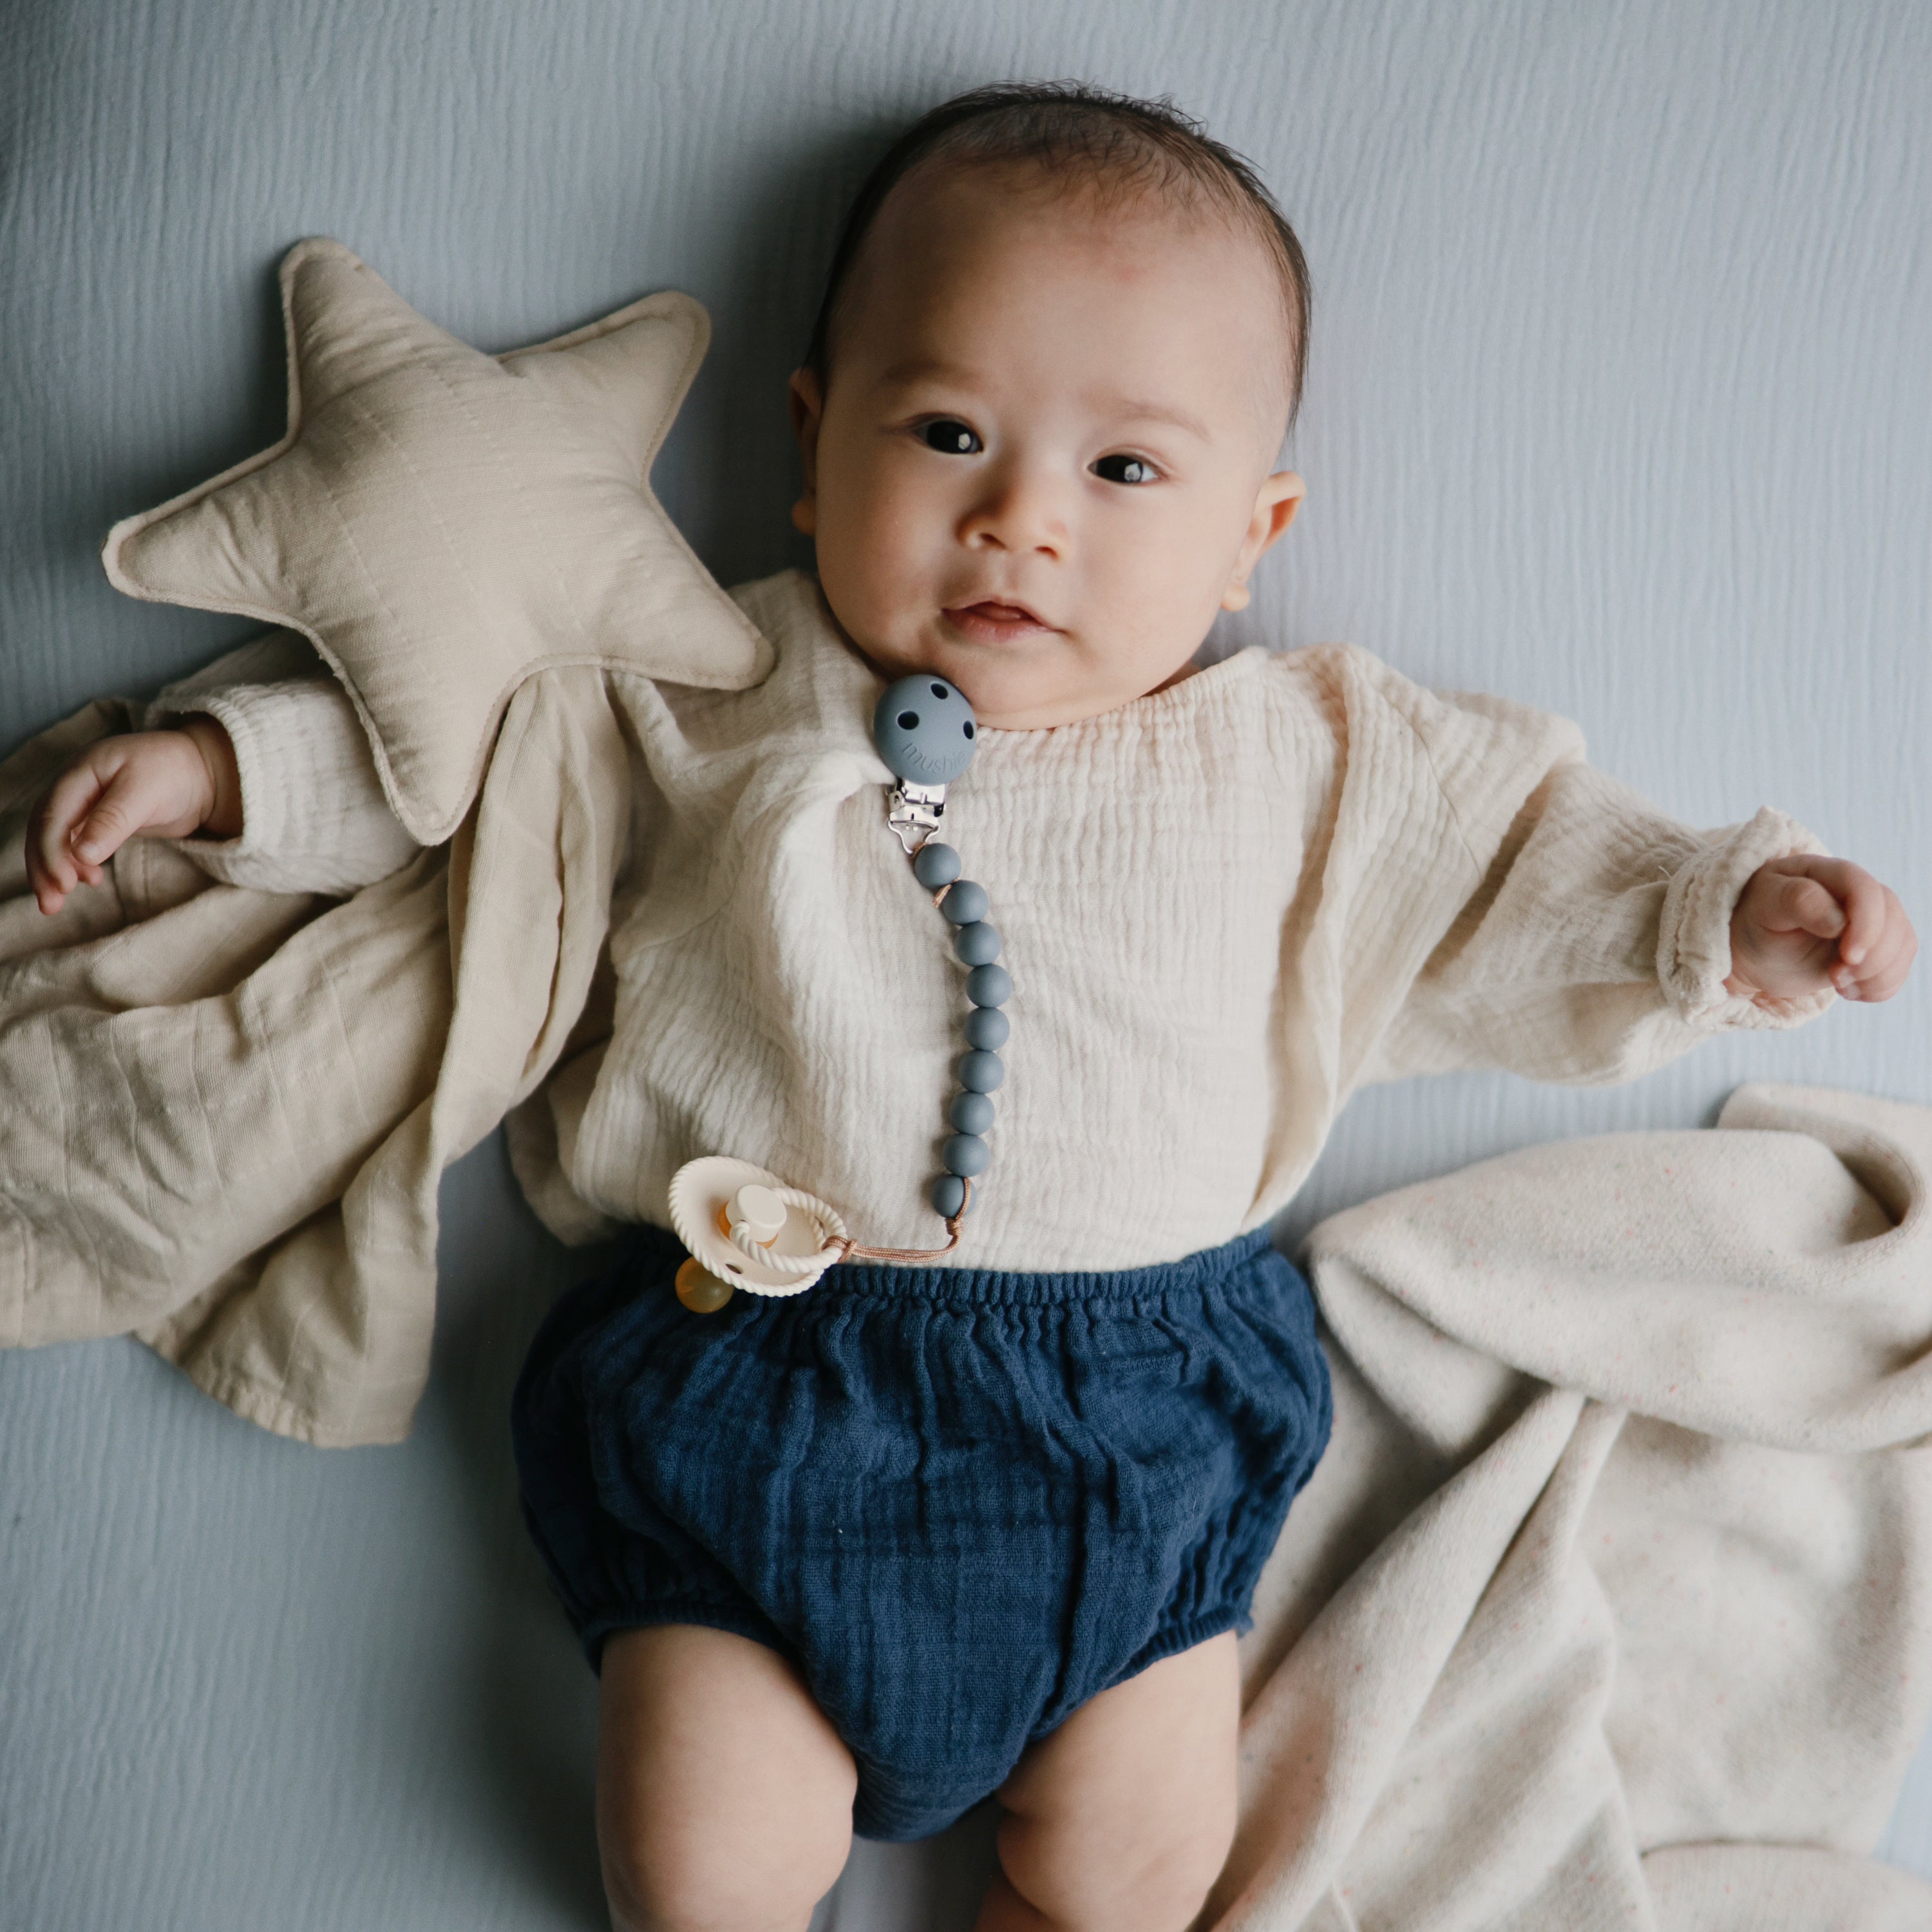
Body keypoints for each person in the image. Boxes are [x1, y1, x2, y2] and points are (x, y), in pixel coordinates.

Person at [22, 82, 1917, 1932]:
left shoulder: (1313, 748)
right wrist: (222, 773)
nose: (1021, 521)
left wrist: (1719, 909)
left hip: (1148, 1418)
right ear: (812, 429)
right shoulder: (704, 672)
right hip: (752, 1381)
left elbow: (1523, 858)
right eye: (945, 433)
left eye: (1124, 470)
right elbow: (474, 778)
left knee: (1134, 1878)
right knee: (700, 1868)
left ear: (1255, 531)